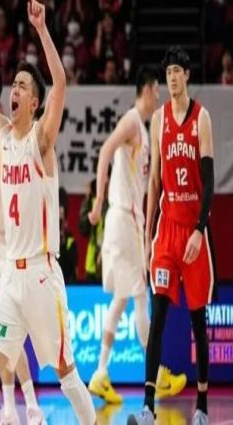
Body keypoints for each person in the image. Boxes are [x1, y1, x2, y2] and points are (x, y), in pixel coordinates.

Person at [0, 0, 96, 424]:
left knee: (66, 375)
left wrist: (41, 28)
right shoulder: (3, 136)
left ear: (35, 103)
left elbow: (60, 83)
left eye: (23, 86)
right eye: (15, 85)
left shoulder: (41, 141)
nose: (15, 90)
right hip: (10, 275)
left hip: (42, 275)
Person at [87, 65, 186, 404]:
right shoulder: (131, 121)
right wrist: (97, 201)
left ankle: (100, 373)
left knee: (121, 299)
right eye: (157, 90)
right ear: (146, 89)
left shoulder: (142, 131)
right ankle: (156, 374)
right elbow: (104, 151)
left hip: (127, 222)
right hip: (121, 217)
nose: (159, 96)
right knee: (141, 295)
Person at [128, 46, 215, 425]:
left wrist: (200, 229)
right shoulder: (159, 119)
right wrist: (148, 235)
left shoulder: (201, 118)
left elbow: (209, 182)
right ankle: (148, 406)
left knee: (198, 322)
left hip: (193, 232)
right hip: (166, 232)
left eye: (178, 70)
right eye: (168, 73)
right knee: (158, 316)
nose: (173, 77)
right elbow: (153, 182)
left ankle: (202, 406)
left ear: (187, 75)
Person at [0, 62, 45, 424]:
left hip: (12, 243)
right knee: (3, 330)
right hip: (7, 241)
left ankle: (27, 403)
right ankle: (11, 405)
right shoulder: (2, 128)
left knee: (7, 330)